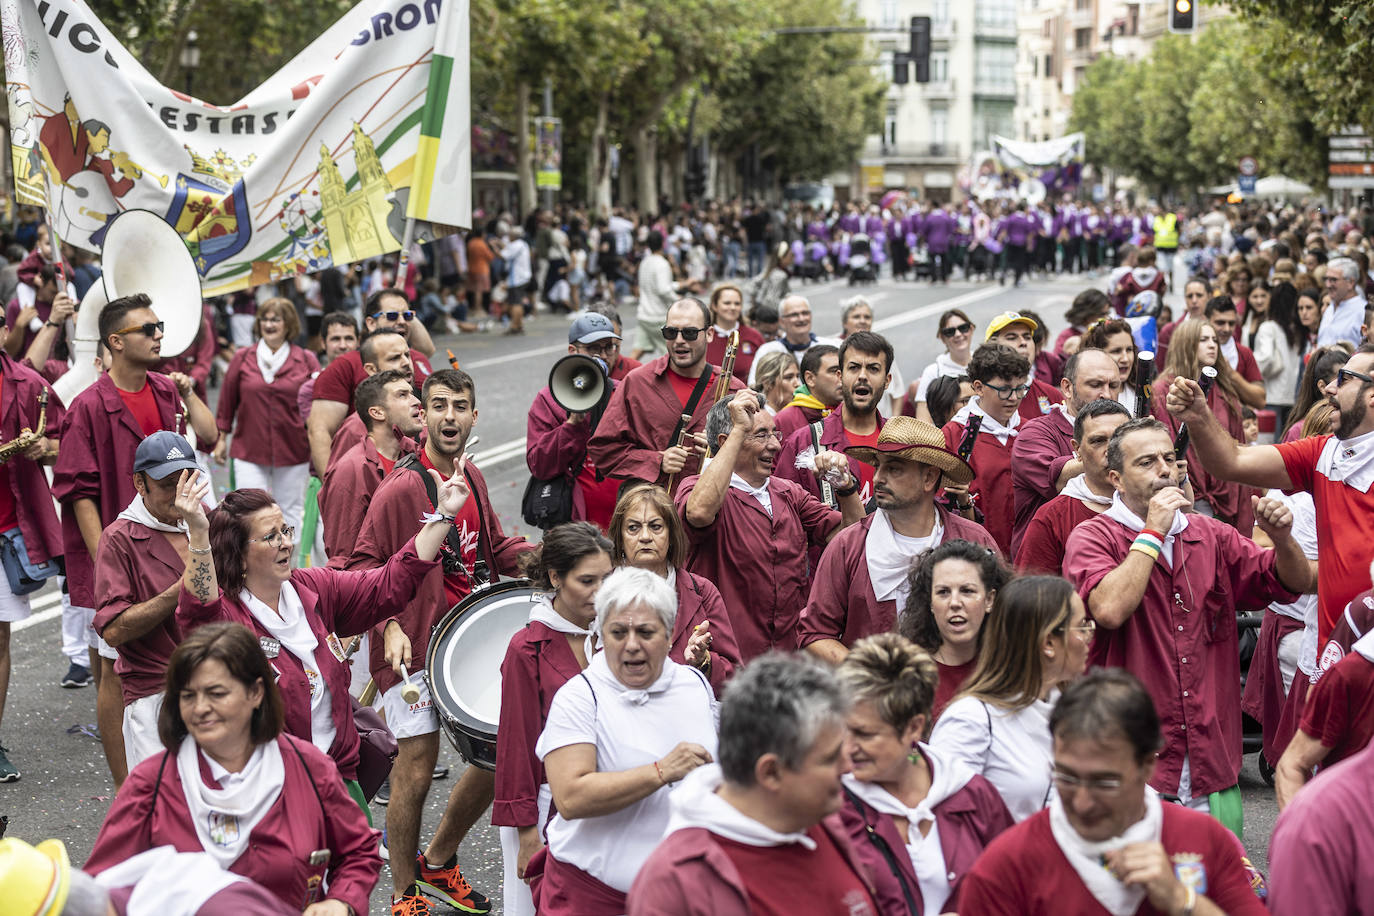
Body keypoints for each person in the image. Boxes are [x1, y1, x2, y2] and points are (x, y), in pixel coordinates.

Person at [1062, 417, 1311, 833]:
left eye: (1170, 459)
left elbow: (1290, 583)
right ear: (1115, 479)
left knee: (1209, 887)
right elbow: (1108, 609)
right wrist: (1154, 530)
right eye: (1146, 462)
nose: (1164, 469)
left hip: (1210, 761)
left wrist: (1283, 539)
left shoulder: (1210, 534)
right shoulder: (1093, 537)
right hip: (1130, 761)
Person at [348, 368, 530, 915]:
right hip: (410, 645)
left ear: (474, 416)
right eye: (441, 406)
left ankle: (440, 858)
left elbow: (494, 546)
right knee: (417, 764)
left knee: (499, 753)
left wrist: (560, 559)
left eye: (461, 407)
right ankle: (404, 890)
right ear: (423, 415)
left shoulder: (469, 474)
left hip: (463, 640)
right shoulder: (405, 484)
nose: (451, 416)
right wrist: (390, 625)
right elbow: (362, 564)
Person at [84, 622, 380, 916]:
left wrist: (341, 901)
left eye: (216, 693)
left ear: (255, 692)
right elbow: (101, 884)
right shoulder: (151, 783)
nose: (200, 708)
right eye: (188, 695)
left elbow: (358, 850)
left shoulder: (308, 767)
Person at [52, 292, 218, 787]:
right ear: (116, 342)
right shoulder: (86, 404)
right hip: (119, 545)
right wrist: (110, 553)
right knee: (111, 664)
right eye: (149, 329)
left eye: (159, 326)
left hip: (171, 537)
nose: (160, 335)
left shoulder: (168, 389)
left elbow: (204, 441)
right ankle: (128, 783)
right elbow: (78, 491)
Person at [959, 669, 1269, 916]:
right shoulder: (1007, 866)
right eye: (1066, 778)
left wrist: (1182, 900)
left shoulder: (1203, 839)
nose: (1081, 803)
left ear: (1147, 765)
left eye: (1104, 783)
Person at [627, 653, 881, 915]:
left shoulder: (820, 819)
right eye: (829, 759)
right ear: (770, 773)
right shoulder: (675, 887)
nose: (848, 767)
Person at [532, 567, 718, 914]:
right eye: (618, 632)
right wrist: (660, 771)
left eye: (645, 632)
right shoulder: (580, 696)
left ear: (669, 632)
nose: (631, 645)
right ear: (602, 633)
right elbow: (571, 798)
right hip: (593, 899)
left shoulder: (694, 684)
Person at [1163, 342, 1374, 647]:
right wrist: (1199, 415)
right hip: (1331, 654)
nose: (1328, 389)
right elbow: (1231, 461)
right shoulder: (1323, 452)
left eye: (1343, 379)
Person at [835, 633, 1014, 914]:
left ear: (914, 728)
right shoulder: (831, 807)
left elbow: (1015, 890)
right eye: (843, 730)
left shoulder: (972, 794)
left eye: (865, 734)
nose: (848, 747)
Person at [679, 390, 863, 662]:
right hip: (725, 663)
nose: (776, 446)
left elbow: (851, 539)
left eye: (774, 434)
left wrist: (846, 488)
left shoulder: (788, 492)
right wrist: (740, 426)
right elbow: (699, 512)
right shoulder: (695, 488)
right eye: (761, 435)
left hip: (788, 664)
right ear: (726, 441)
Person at [800, 417, 996, 663]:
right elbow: (814, 634)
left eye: (894, 468)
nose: (879, 477)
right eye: (879, 466)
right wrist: (873, 675)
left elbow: (1003, 625)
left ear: (929, 478)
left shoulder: (974, 541)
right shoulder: (848, 545)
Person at [494, 523, 614, 916]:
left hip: (606, 797)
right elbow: (516, 746)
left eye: (608, 579)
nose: (601, 592)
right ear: (555, 578)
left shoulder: (614, 636)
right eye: (587, 581)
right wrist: (527, 832)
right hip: (545, 808)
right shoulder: (526, 648)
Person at [929, 576, 1092, 822]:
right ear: (1048, 642)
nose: (1089, 636)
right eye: (1081, 627)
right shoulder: (970, 720)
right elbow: (944, 823)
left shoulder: (1075, 710)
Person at [94, 432, 203, 773]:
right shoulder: (119, 539)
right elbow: (112, 631)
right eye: (168, 484)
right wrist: (182, 589)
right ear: (140, 484)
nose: (179, 493)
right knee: (164, 808)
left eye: (186, 481)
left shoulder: (205, 521)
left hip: (216, 686)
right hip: (156, 695)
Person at [587, 297, 745, 495]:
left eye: (690, 333)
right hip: (655, 515)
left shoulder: (733, 389)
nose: (679, 340)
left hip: (715, 513)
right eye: (671, 332)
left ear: (709, 334)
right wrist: (657, 461)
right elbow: (603, 450)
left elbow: (760, 458)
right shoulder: (637, 382)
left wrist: (724, 447)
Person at [0, 323, 62, 782]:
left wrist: (48, 446)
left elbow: (69, 438)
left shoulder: (29, 384)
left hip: (6, 530)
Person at [609, 484, 741, 691]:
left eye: (655, 527)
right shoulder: (599, 591)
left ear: (671, 536)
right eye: (633, 527)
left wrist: (703, 662)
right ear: (620, 537)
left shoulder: (702, 591)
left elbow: (733, 678)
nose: (645, 537)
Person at [211, 298, 318, 534]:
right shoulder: (242, 357)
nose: (269, 325)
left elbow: (316, 406)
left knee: (290, 511)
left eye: (275, 320)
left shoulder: (306, 359)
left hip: (294, 449)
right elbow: (227, 401)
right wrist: (221, 439)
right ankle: (248, 567)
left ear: (288, 324)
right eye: (265, 319)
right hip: (249, 448)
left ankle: (289, 568)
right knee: (248, 512)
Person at [1010, 349, 1124, 556]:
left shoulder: (1130, 430)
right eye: (1095, 384)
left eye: (1114, 386)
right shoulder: (1035, 433)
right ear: (1067, 388)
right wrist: (1131, 450)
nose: (1106, 394)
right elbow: (1059, 480)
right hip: (1050, 560)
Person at [307, 289, 433, 475]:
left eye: (407, 315)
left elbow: (429, 348)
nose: (401, 321)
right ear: (371, 322)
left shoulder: (416, 361)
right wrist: (332, 485)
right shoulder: (344, 366)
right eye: (391, 315)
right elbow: (319, 431)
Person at [1151, 318, 1254, 529]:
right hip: (1187, 494)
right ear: (1186, 343)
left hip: (1228, 494)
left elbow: (1239, 447)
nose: (1212, 345)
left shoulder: (1225, 392)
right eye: (1204, 339)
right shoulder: (1163, 391)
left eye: (1215, 340)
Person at [525, 313, 624, 530]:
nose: (603, 355)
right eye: (593, 348)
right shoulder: (549, 400)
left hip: (621, 522)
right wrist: (572, 423)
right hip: (572, 526)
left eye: (609, 347)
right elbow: (539, 466)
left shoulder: (625, 392)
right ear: (573, 351)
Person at [776, 332, 891, 512]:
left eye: (873, 369)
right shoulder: (803, 442)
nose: (862, 376)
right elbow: (784, 517)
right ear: (840, 376)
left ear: (887, 380)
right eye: (853, 368)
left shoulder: (900, 443)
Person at [317, 370, 420, 565]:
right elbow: (345, 558)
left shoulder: (414, 454)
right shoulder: (350, 471)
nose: (416, 401)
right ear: (377, 412)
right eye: (402, 395)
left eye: (412, 393)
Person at [1018, 399, 1131, 575]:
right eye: (1098, 441)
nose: (1111, 450)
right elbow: (1034, 598)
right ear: (1077, 449)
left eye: (1119, 438)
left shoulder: (1153, 505)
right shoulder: (1051, 518)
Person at [899, 540, 1010, 719]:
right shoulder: (907, 674)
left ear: (989, 599)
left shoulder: (1013, 669)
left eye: (967, 591)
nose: (955, 603)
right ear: (930, 603)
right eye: (943, 592)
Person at [942, 343, 1029, 555]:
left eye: (1020, 388)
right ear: (979, 387)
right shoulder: (955, 434)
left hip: (1027, 555)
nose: (1014, 398)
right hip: (979, 555)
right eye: (1005, 390)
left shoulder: (1029, 430)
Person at [316, 329, 417, 474]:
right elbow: (341, 488)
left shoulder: (418, 410)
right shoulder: (355, 428)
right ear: (371, 369)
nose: (406, 363)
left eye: (407, 355)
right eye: (394, 358)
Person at [982, 312, 1063, 421]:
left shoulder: (1052, 395)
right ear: (991, 347)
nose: (1023, 342)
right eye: (1011, 338)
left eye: (1027, 337)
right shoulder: (981, 394)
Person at [746, 295, 841, 387]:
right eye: (794, 315)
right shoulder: (768, 350)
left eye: (805, 313)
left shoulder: (831, 346)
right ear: (782, 321)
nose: (801, 319)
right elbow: (754, 386)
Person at [838, 296, 906, 414]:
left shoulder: (881, 351)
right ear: (844, 322)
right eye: (856, 317)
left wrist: (893, 426)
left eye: (867, 317)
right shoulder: (833, 348)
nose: (862, 321)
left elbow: (897, 392)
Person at [1250, 280, 1304, 430]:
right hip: (1294, 396)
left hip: (1272, 394)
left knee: (1271, 442)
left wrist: (1252, 377)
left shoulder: (1268, 327)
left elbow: (1265, 358)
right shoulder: (1298, 329)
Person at [911, 310, 976, 425]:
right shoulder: (933, 372)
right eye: (950, 332)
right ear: (942, 337)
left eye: (963, 328)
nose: (958, 334)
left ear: (971, 329)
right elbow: (923, 420)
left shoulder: (984, 363)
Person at [1204, 297, 1267, 410]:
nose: (1227, 329)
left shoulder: (1244, 353)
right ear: (1206, 320)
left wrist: (1230, 374)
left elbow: (1260, 400)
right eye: (1220, 323)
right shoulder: (1193, 351)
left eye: (1231, 323)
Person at [771, 344, 840, 441]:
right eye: (834, 371)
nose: (841, 376)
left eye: (845, 370)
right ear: (810, 378)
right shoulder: (785, 419)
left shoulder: (855, 412)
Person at [1080, 318, 1146, 416]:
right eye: (1116, 351)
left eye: (1129, 350)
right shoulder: (1088, 398)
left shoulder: (1143, 390)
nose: (1125, 359)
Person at [632, 231, 682, 361]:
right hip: (658, 316)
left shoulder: (645, 262)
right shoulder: (662, 264)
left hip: (644, 314)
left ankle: (622, 377)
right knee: (671, 354)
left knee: (637, 351)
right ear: (663, 244)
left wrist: (678, 285)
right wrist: (678, 301)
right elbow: (663, 289)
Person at [704, 283, 764, 382]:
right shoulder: (704, 337)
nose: (732, 307)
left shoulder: (754, 336)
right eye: (727, 303)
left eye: (737, 304)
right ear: (714, 306)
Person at [1316, 256, 1366, 348]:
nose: (1328, 285)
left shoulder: (1363, 312)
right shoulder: (1330, 308)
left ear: (1350, 282)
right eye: (1326, 279)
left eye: (1333, 280)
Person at [752, 349, 801, 416]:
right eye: (788, 377)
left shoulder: (799, 414)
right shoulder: (754, 418)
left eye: (797, 376)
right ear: (767, 383)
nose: (797, 384)